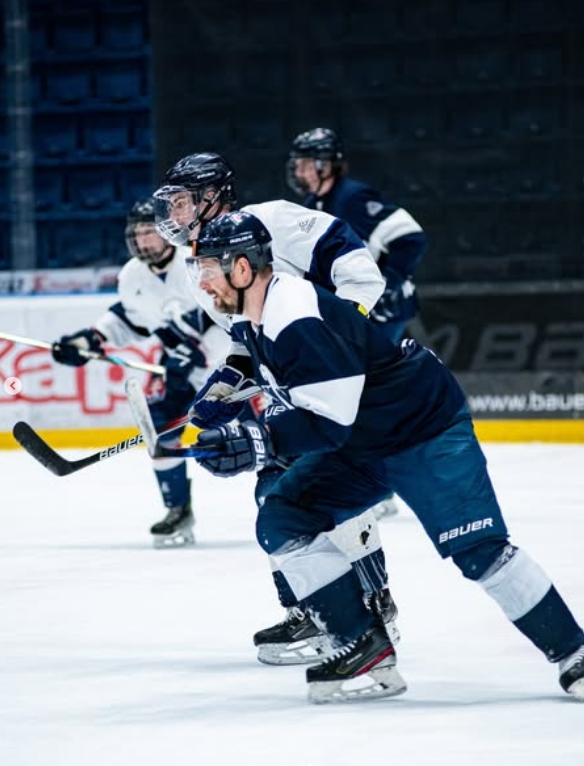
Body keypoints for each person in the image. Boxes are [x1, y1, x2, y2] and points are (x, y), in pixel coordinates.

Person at [186, 210, 584, 704]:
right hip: (365, 437)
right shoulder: (256, 315)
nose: (200, 282)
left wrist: (259, 440)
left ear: (242, 269)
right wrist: (221, 398)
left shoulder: (295, 314)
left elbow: (329, 421)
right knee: (284, 516)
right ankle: (365, 646)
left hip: (423, 429)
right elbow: (284, 384)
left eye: (206, 268)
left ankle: (575, 653)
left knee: (478, 549)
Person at [152, 152, 399, 664]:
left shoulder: (274, 219)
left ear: (212, 197)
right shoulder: (198, 264)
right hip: (301, 383)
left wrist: (333, 340)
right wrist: (219, 395)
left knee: (310, 490)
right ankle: (328, 608)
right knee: (280, 490)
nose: (172, 215)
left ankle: (365, 608)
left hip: (347, 379)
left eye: (181, 202)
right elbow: (249, 345)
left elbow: (359, 270)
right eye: (170, 203)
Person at [51, 199, 228, 548]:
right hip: (178, 365)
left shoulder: (197, 259)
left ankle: (302, 492)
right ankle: (178, 508)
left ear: (166, 232)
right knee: (158, 425)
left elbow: (227, 315)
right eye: (138, 233)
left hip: (230, 363)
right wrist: (91, 339)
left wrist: (201, 352)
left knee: (268, 429)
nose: (144, 241)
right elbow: (131, 320)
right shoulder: (132, 274)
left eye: (150, 232)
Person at [287, 126, 428, 519]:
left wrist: (388, 285)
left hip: (378, 311)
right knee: (360, 393)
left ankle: (377, 483)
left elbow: (409, 237)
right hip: (359, 312)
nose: (297, 171)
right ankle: (375, 481)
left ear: (322, 163)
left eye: (302, 163)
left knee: (363, 393)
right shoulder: (319, 201)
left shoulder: (351, 197)